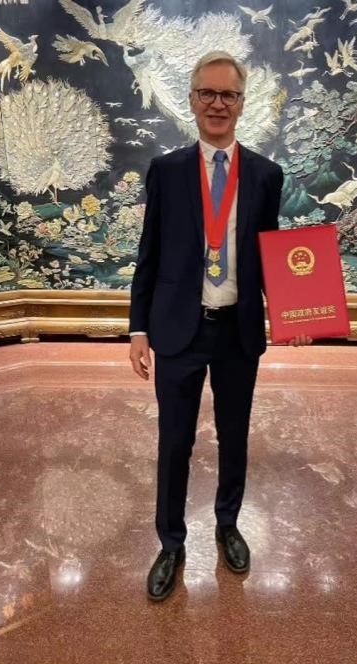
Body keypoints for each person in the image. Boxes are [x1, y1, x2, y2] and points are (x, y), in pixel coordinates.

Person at [129, 51, 284, 601]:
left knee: (234, 436)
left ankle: (228, 524)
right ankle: (171, 543)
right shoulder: (167, 171)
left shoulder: (265, 175)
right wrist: (138, 329)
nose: (218, 104)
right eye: (208, 93)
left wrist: (293, 311)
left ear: (242, 104)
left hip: (238, 331)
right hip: (178, 329)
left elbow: (271, 255)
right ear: (193, 100)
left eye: (229, 95)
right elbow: (149, 254)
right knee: (175, 441)